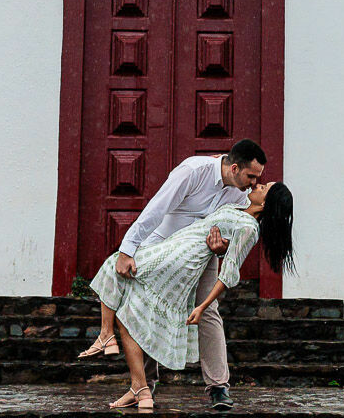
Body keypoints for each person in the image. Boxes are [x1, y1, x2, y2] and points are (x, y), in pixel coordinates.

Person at [78, 140, 269, 409]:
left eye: (257, 179)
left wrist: (222, 248)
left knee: (209, 311)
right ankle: (145, 384)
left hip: (201, 256)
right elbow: (158, 207)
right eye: (251, 176)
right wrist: (128, 248)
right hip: (163, 246)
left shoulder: (240, 194)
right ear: (234, 167)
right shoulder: (193, 171)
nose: (253, 184)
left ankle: (218, 388)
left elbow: (235, 231)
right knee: (147, 306)